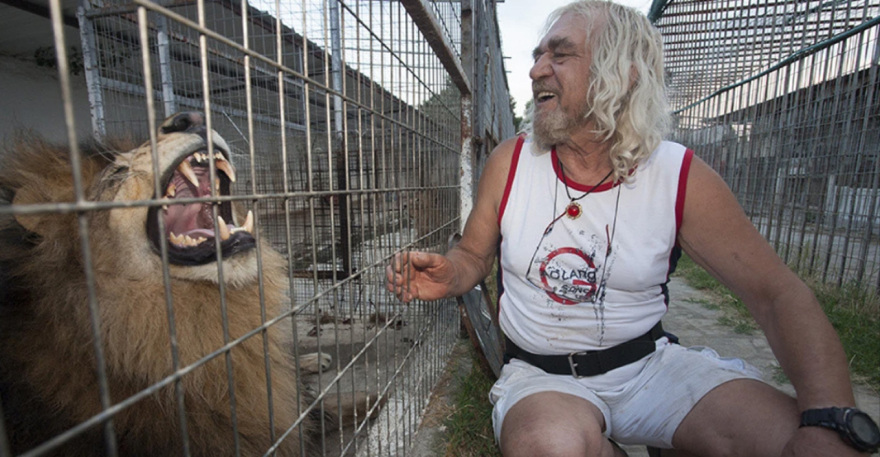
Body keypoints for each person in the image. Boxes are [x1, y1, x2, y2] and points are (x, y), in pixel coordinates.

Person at [386, 1, 879, 456]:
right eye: (537, 56)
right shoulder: (510, 162)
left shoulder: (679, 175)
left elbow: (776, 294)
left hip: (651, 369)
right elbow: (474, 255)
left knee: (793, 440)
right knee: (548, 445)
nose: (537, 69)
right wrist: (451, 274)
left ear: (621, 74)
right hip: (543, 377)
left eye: (560, 55)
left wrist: (829, 418)